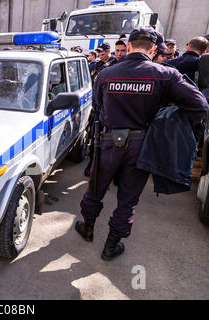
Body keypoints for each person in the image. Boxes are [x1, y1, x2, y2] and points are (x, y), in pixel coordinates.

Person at [75, 27, 209, 261]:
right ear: (154, 48)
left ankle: (87, 228)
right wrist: (170, 122)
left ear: (128, 46)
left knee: (95, 187)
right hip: (141, 145)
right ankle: (111, 245)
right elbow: (200, 105)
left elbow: (98, 105)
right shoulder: (165, 74)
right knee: (128, 197)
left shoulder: (107, 74)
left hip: (107, 142)